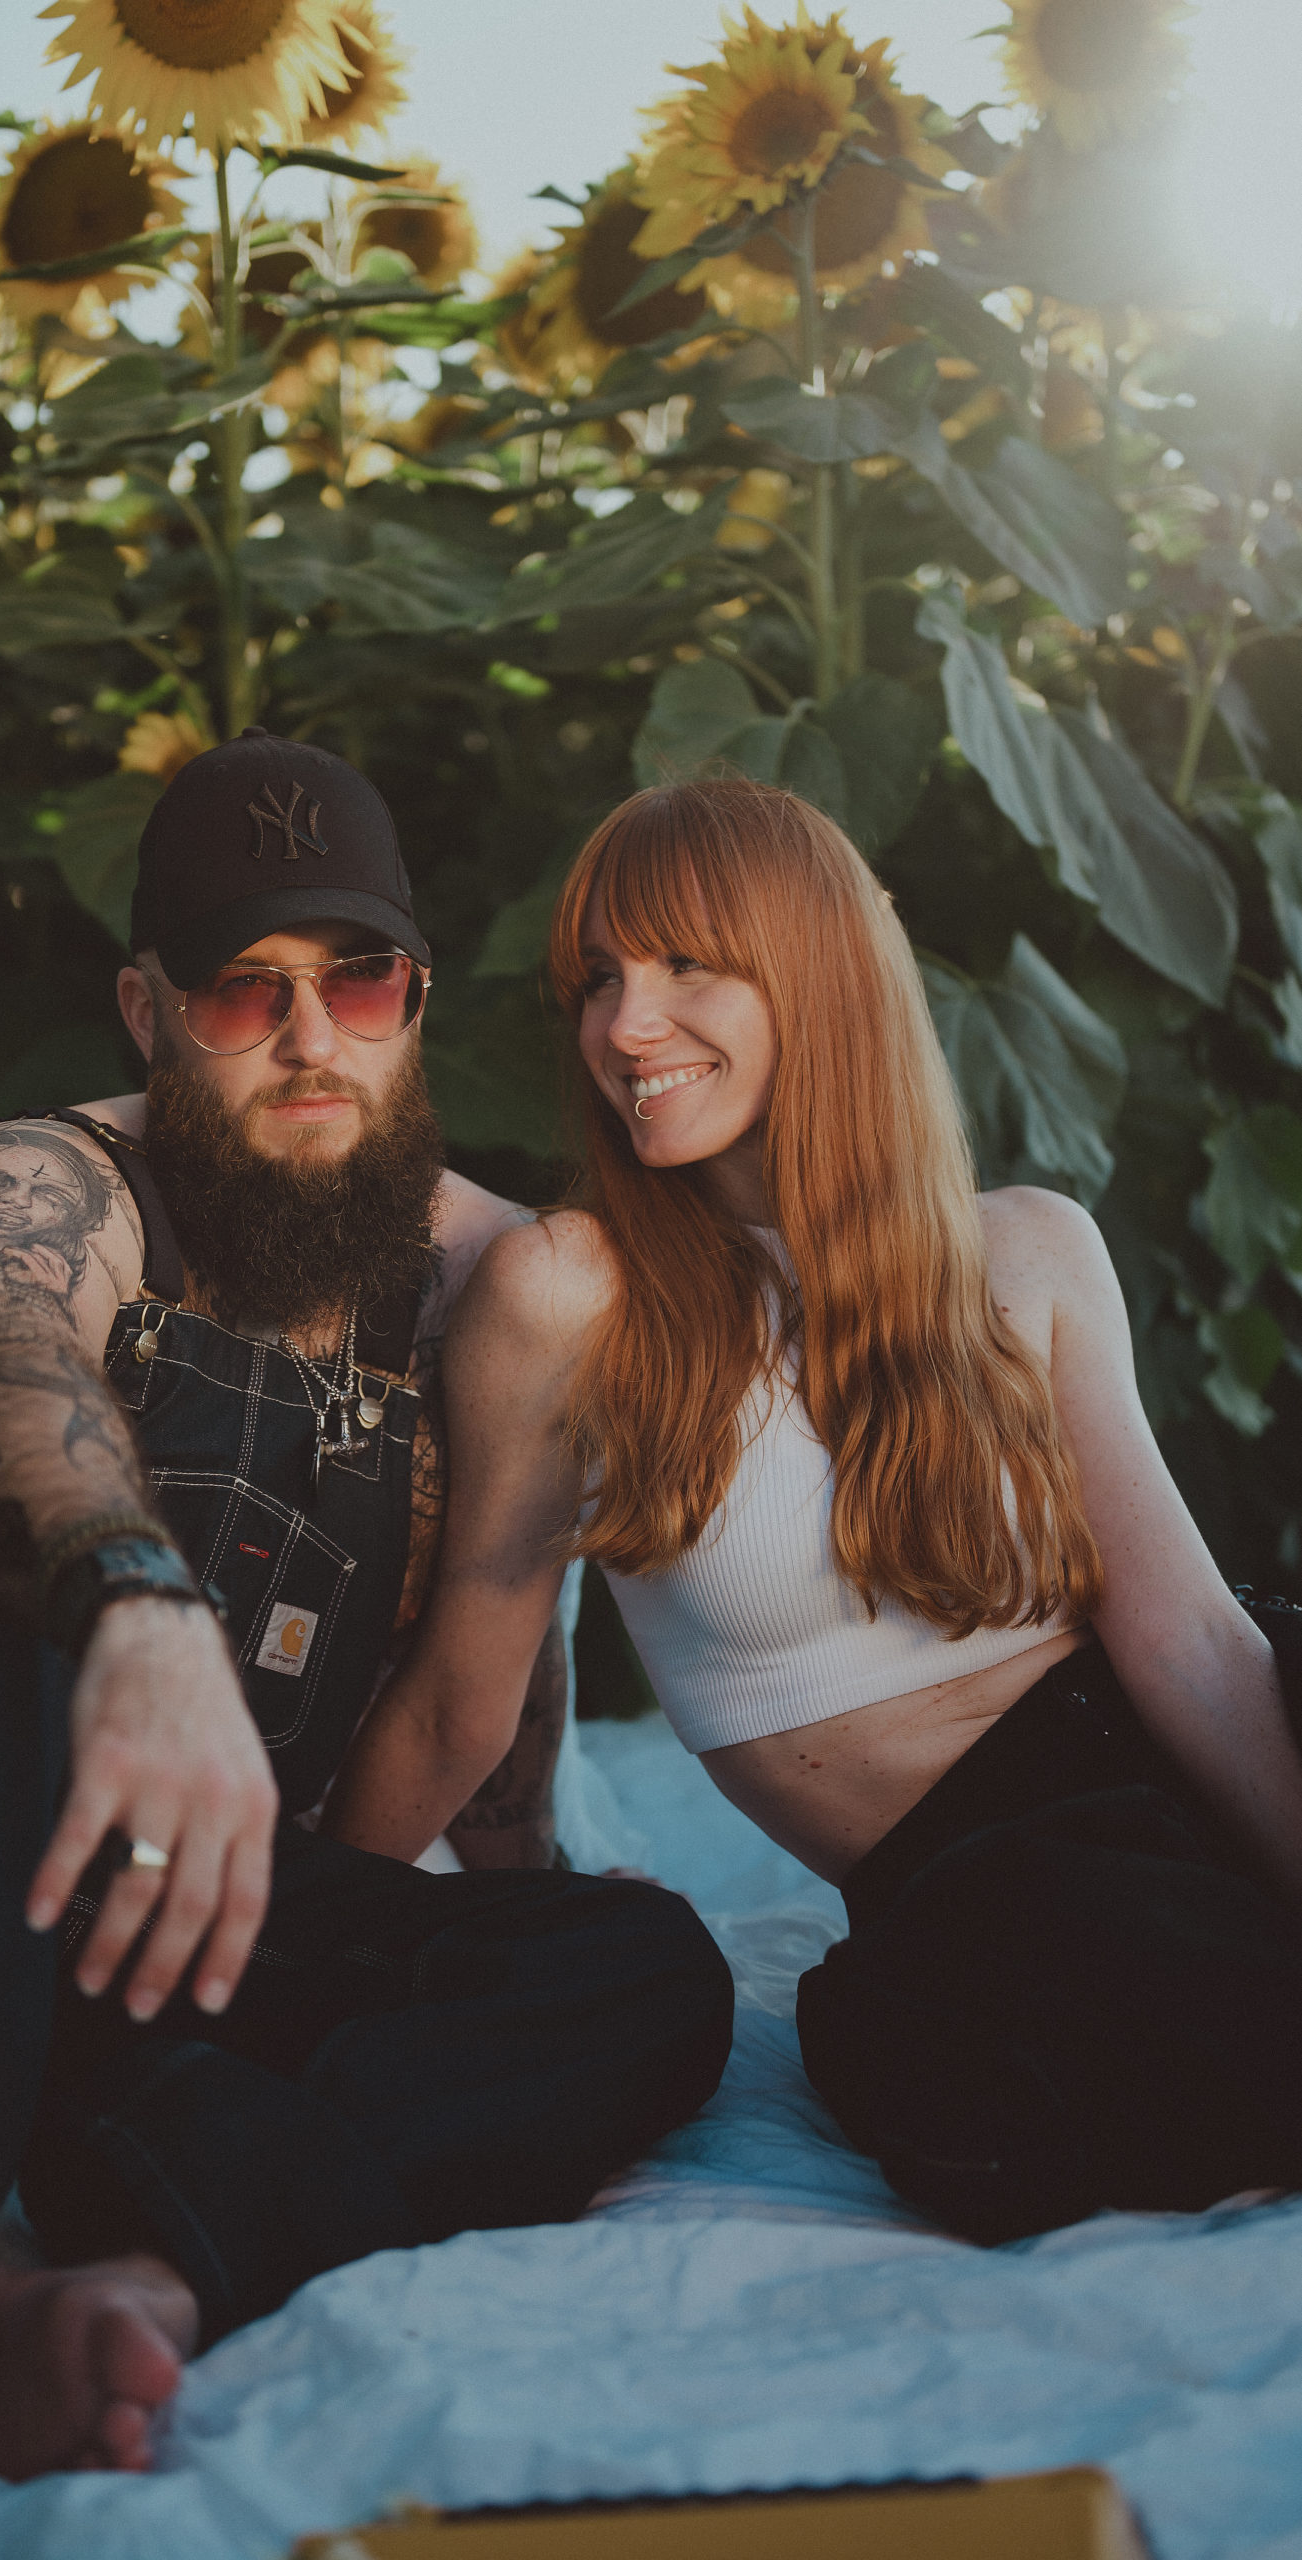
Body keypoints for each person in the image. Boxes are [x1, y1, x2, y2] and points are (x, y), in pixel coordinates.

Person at [0, 731, 734, 2560]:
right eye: (244, 990)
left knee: (637, 1968)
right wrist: (133, 1617)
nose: (312, 1038)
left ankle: (101, 2281)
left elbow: (494, 1731)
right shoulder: (44, 1191)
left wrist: (468, 1940)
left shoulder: (487, 1286)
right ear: (148, 1013)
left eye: (356, 980)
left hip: (131, 1930)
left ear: (413, 1006)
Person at [327, 769, 1302, 2253]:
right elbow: (463, 1696)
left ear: (819, 973)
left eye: (684, 964)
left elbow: (1192, 1646)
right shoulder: (574, 1299)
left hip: (1198, 1756)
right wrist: (290, 1948)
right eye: (598, 978)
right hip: (993, 1886)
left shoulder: (1027, 1250)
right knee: (1026, 1986)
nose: (624, 1027)